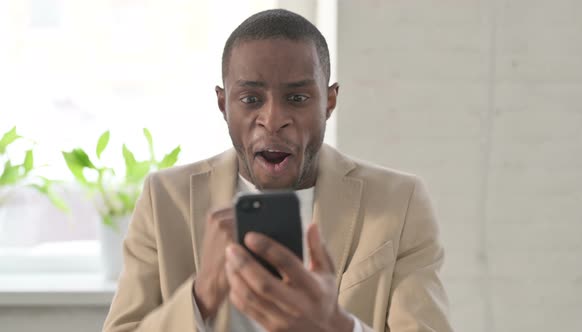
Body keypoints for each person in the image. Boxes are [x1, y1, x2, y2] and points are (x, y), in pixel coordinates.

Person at [103, 9, 452, 332]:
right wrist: (200, 296)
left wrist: (336, 326)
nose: (272, 120)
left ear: (329, 102)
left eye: (297, 98)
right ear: (223, 104)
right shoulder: (164, 198)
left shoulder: (400, 200)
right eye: (251, 99)